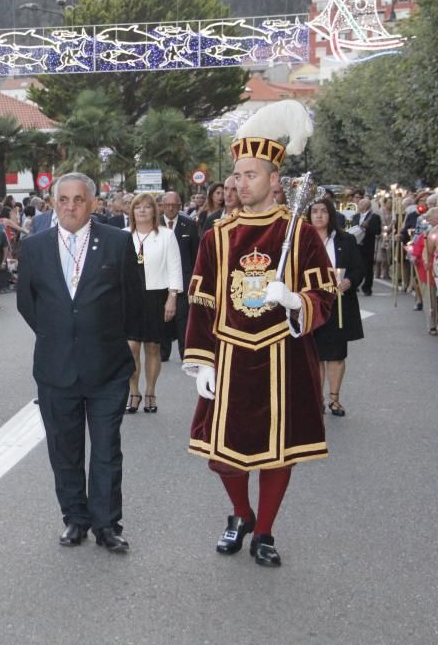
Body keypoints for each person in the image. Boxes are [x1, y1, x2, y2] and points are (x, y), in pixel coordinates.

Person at [183, 100, 336, 567]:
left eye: (251, 175)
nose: (239, 183)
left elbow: (325, 295)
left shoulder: (301, 234)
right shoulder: (217, 235)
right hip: (230, 355)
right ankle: (241, 513)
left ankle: (264, 531)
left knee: (277, 452)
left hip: (282, 356)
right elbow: (204, 301)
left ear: (275, 180)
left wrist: (294, 301)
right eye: (237, 175)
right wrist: (200, 361)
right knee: (221, 454)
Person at [17, 172, 143, 551]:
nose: (70, 206)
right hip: (56, 368)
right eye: (64, 200)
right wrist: (60, 334)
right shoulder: (35, 247)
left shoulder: (118, 243)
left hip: (107, 367)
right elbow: (28, 303)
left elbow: (132, 301)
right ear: (54, 203)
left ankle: (107, 525)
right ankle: (74, 518)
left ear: (92, 203)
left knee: (106, 450)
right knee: (64, 450)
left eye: (78, 199)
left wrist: (99, 333)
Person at [124, 193, 182, 413]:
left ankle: (149, 391)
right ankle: (133, 392)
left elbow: (174, 267)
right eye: (137, 207)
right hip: (130, 297)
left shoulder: (166, 236)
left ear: (154, 211)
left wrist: (172, 297)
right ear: (132, 211)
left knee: (152, 347)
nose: (142, 210)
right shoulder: (122, 236)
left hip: (157, 296)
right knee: (131, 348)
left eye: (147, 207)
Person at [307, 197, 364, 417]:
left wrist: (349, 281)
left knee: (337, 354)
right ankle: (317, 399)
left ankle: (334, 399)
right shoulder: (302, 240)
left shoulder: (345, 240)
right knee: (317, 354)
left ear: (331, 215)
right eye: (314, 211)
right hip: (313, 302)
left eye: (323, 211)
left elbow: (358, 268)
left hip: (339, 303)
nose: (319, 215)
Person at [159, 191, 200, 362]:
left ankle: (185, 354)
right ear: (161, 206)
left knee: (183, 319)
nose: (170, 208)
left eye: (174, 205)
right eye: (167, 205)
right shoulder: (154, 224)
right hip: (160, 280)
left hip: (183, 280)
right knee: (162, 319)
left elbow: (196, 254)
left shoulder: (188, 225)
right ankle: (163, 352)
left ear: (180, 206)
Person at [352, 198, 382, 296]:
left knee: (368, 267)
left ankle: (367, 287)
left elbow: (377, 231)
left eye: (360, 204)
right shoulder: (355, 216)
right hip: (356, 245)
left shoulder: (374, 217)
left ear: (365, 206)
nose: (358, 206)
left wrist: (367, 227)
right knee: (355, 265)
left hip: (367, 245)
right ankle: (354, 285)